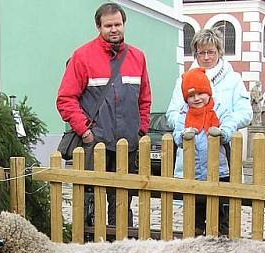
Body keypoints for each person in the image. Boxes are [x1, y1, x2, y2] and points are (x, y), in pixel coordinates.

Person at [56, 2, 151, 229]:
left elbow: (144, 99)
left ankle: (121, 246)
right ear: (98, 27)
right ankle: (91, 245)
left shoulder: (138, 57)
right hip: (94, 144)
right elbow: (65, 99)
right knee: (91, 201)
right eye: (108, 25)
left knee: (122, 202)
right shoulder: (82, 56)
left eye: (118, 24)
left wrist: (140, 130)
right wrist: (86, 133)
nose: (114, 29)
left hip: (127, 145)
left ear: (124, 25)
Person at [165, 28, 252, 234]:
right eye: (201, 53)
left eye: (210, 52)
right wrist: (187, 124)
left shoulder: (233, 80)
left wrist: (223, 127)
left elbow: (245, 112)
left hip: (221, 146)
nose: (206, 57)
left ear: (219, 52)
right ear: (195, 54)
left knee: (221, 208)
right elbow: (172, 113)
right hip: (193, 150)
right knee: (194, 209)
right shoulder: (184, 80)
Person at [172, 68, 231, 236]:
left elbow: (229, 124)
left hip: (218, 172)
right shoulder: (183, 115)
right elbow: (176, 136)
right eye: (191, 96)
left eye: (200, 93)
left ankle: (220, 237)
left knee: (219, 211)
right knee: (195, 212)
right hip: (193, 173)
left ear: (208, 93)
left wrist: (222, 132)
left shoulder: (217, 110)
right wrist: (184, 135)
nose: (196, 98)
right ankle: (196, 236)